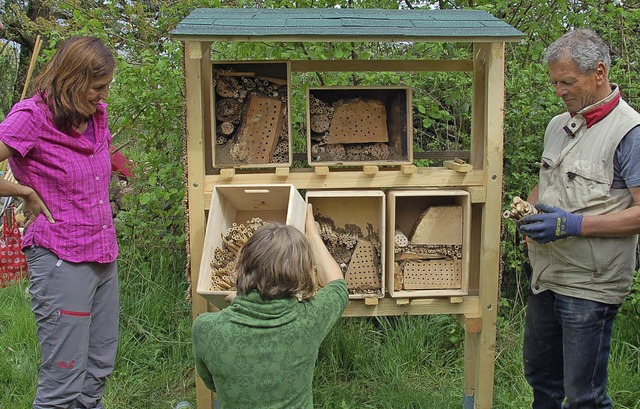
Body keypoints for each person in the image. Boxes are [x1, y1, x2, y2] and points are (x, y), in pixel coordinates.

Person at [518, 28, 640, 409]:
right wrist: (530, 212)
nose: (559, 90)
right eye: (555, 82)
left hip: (591, 284)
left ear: (599, 72)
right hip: (546, 276)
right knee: (542, 379)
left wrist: (573, 225)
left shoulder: (628, 133)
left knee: (584, 395)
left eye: (567, 81)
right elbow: (547, 181)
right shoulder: (558, 125)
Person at [0, 36, 118, 409]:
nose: (102, 97)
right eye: (97, 88)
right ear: (73, 78)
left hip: (103, 255)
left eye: (106, 88)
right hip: (60, 257)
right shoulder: (31, 117)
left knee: (98, 368)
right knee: (64, 378)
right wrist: (21, 191)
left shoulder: (96, 116)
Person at [192, 204, 349, 409]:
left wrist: (240, 300)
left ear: (243, 265)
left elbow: (212, 383)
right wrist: (312, 235)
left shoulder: (206, 328)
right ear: (300, 275)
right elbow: (338, 285)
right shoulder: (309, 320)